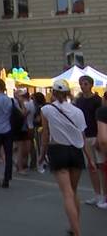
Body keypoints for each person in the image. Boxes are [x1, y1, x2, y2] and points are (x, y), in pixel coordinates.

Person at [40, 79, 89, 235]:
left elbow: (45, 135)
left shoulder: (46, 110)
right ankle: (74, 227)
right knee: (73, 192)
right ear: (68, 94)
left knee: (67, 193)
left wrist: (41, 155)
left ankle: (77, 231)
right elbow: (82, 137)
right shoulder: (78, 112)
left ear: (53, 93)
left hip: (58, 151)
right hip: (76, 152)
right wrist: (91, 159)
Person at [73, 75, 105, 208]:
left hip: (96, 135)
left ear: (91, 85)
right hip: (84, 137)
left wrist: (99, 136)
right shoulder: (79, 101)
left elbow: (101, 119)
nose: (83, 86)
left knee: (102, 167)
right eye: (81, 84)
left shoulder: (98, 100)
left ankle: (104, 196)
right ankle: (97, 195)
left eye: (85, 84)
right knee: (92, 167)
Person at [16, 89, 35, 175]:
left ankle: (22, 164)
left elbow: (23, 115)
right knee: (28, 147)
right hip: (29, 126)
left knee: (23, 148)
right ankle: (25, 163)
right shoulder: (31, 103)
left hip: (25, 127)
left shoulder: (26, 104)